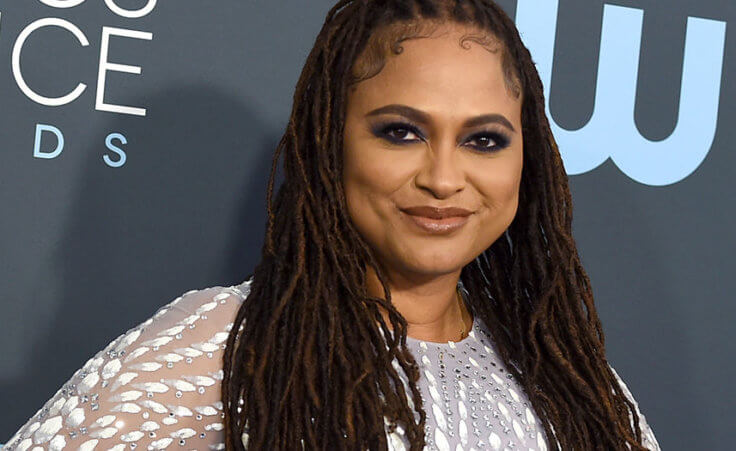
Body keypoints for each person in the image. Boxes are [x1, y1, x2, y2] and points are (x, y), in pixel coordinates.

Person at [3, 0, 661, 450]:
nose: (443, 176)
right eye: (401, 132)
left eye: (484, 140)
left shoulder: (578, 387)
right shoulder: (228, 345)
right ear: (330, 142)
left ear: (529, 160)